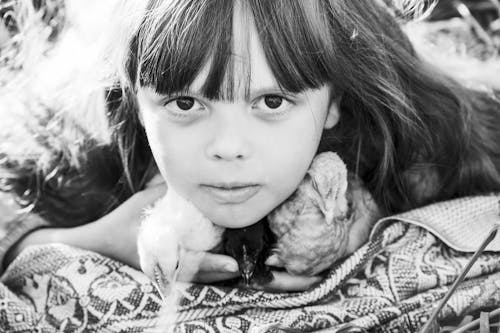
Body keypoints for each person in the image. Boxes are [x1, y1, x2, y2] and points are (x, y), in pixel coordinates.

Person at [0, 0, 499, 331]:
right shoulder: (89, 138)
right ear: (136, 101)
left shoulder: (417, 131)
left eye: (273, 102)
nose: (229, 146)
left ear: (332, 103)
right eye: (185, 104)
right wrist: (92, 239)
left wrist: (366, 211)